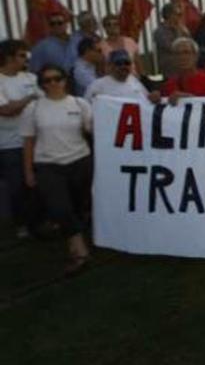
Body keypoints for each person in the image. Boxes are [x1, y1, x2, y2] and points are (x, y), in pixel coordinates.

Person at [21, 64, 93, 274]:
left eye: (57, 78)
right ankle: (81, 253)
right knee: (60, 208)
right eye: (47, 80)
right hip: (48, 165)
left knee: (78, 207)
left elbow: (92, 128)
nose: (53, 83)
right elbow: (28, 142)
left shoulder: (80, 104)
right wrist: (28, 171)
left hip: (80, 161)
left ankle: (73, 242)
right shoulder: (33, 109)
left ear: (65, 80)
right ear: (41, 84)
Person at [0, 40, 41, 238]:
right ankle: (21, 224)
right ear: (9, 57)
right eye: (23, 55)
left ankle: (41, 220)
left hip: (38, 140)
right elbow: (6, 110)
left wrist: (21, 103)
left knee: (39, 182)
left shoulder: (32, 77)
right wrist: (29, 99)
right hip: (10, 143)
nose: (27, 59)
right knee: (17, 186)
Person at [160, 38, 205, 103]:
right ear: (173, 58)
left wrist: (191, 100)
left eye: (186, 52)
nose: (182, 57)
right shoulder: (168, 86)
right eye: (177, 53)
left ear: (196, 56)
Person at [85, 50, 160, 103]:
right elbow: (87, 109)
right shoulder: (97, 85)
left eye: (126, 63)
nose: (123, 66)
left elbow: (147, 100)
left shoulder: (134, 80)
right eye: (119, 63)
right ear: (110, 66)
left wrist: (153, 97)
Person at [152, 3, 186, 78]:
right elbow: (173, 47)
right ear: (169, 15)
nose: (179, 17)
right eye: (177, 14)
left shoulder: (181, 29)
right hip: (169, 72)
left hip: (183, 70)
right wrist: (178, 31)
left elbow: (189, 44)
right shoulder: (160, 32)